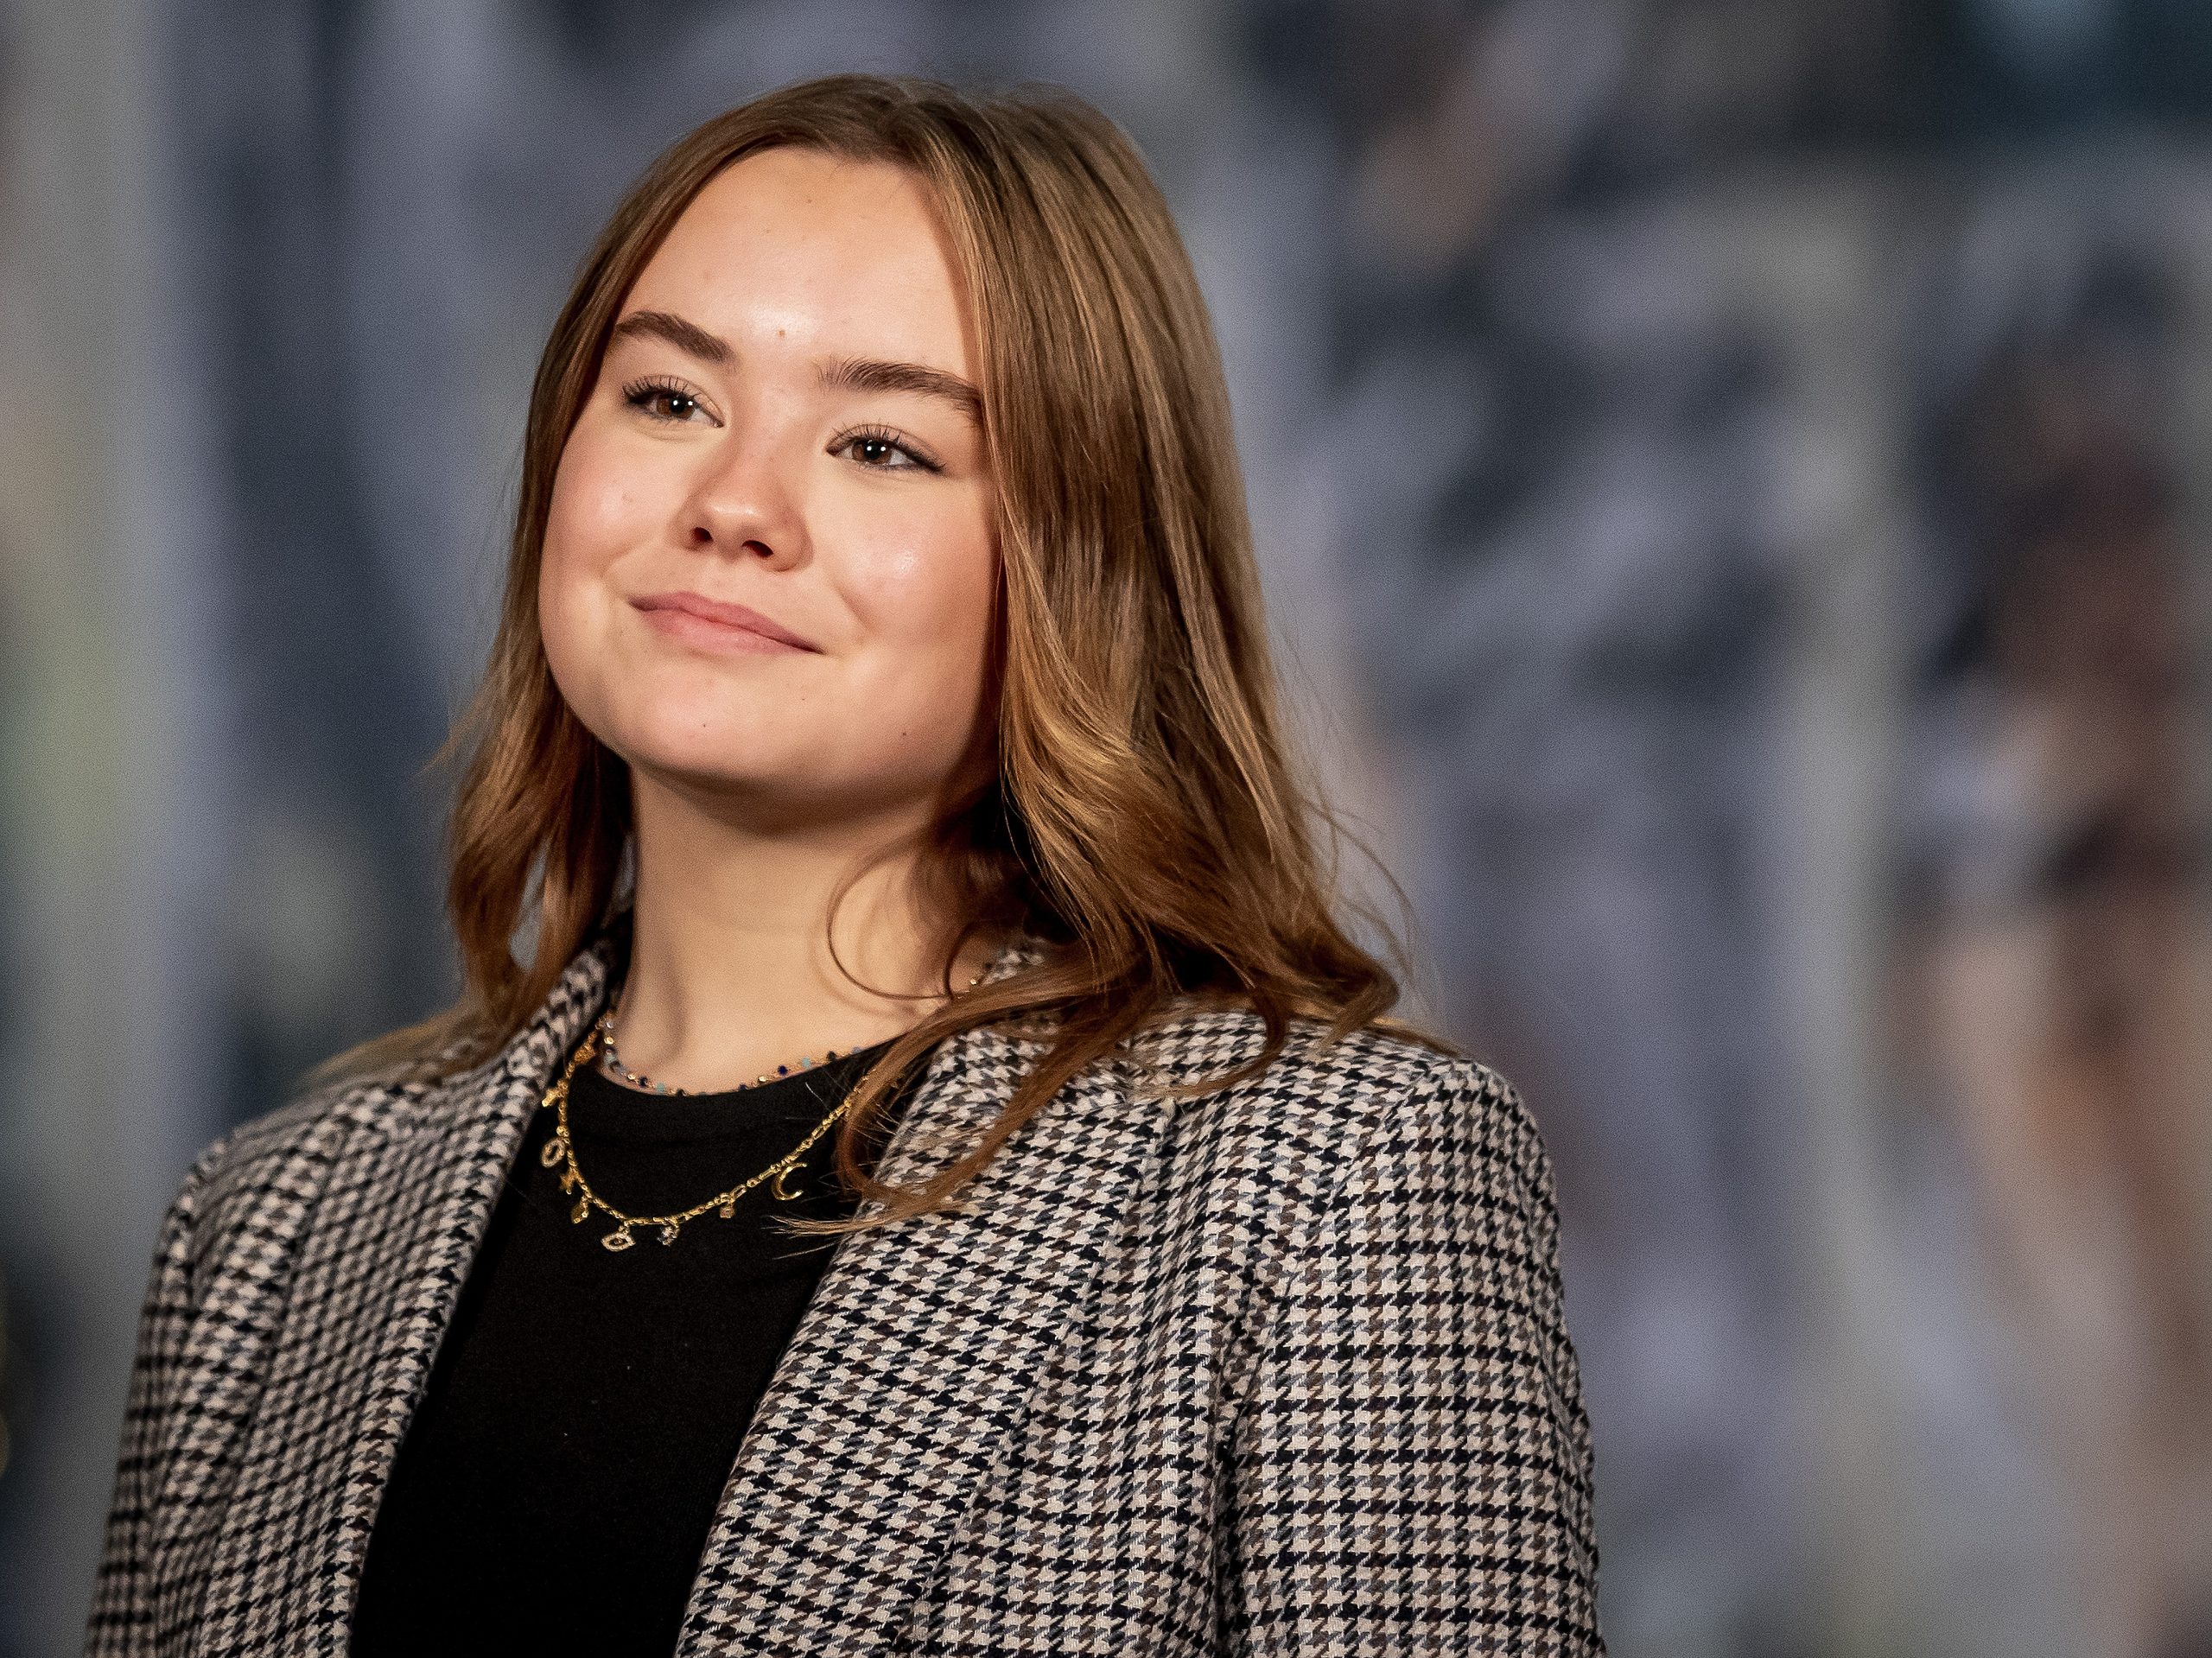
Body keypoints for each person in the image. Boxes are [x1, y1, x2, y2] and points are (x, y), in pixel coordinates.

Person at [85, 73, 1603, 1656]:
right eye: (669, 400)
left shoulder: (1336, 1189)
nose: (735, 506)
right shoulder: (261, 1238)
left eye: (881, 443)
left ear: (1080, 566)